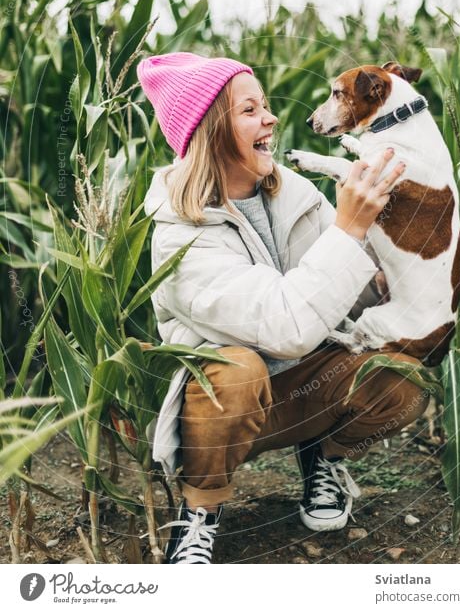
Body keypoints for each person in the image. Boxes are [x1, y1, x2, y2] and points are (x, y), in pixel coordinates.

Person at [137, 52, 429, 565]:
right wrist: (351, 227)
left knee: (398, 378)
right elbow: (285, 328)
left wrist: (395, 267)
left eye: (267, 105)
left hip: (304, 384)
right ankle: (199, 510)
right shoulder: (180, 236)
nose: (271, 118)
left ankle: (323, 455)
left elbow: (343, 292)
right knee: (238, 367)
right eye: (250, 110)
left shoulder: (295, 194)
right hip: (223, 408)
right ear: (208, 133)